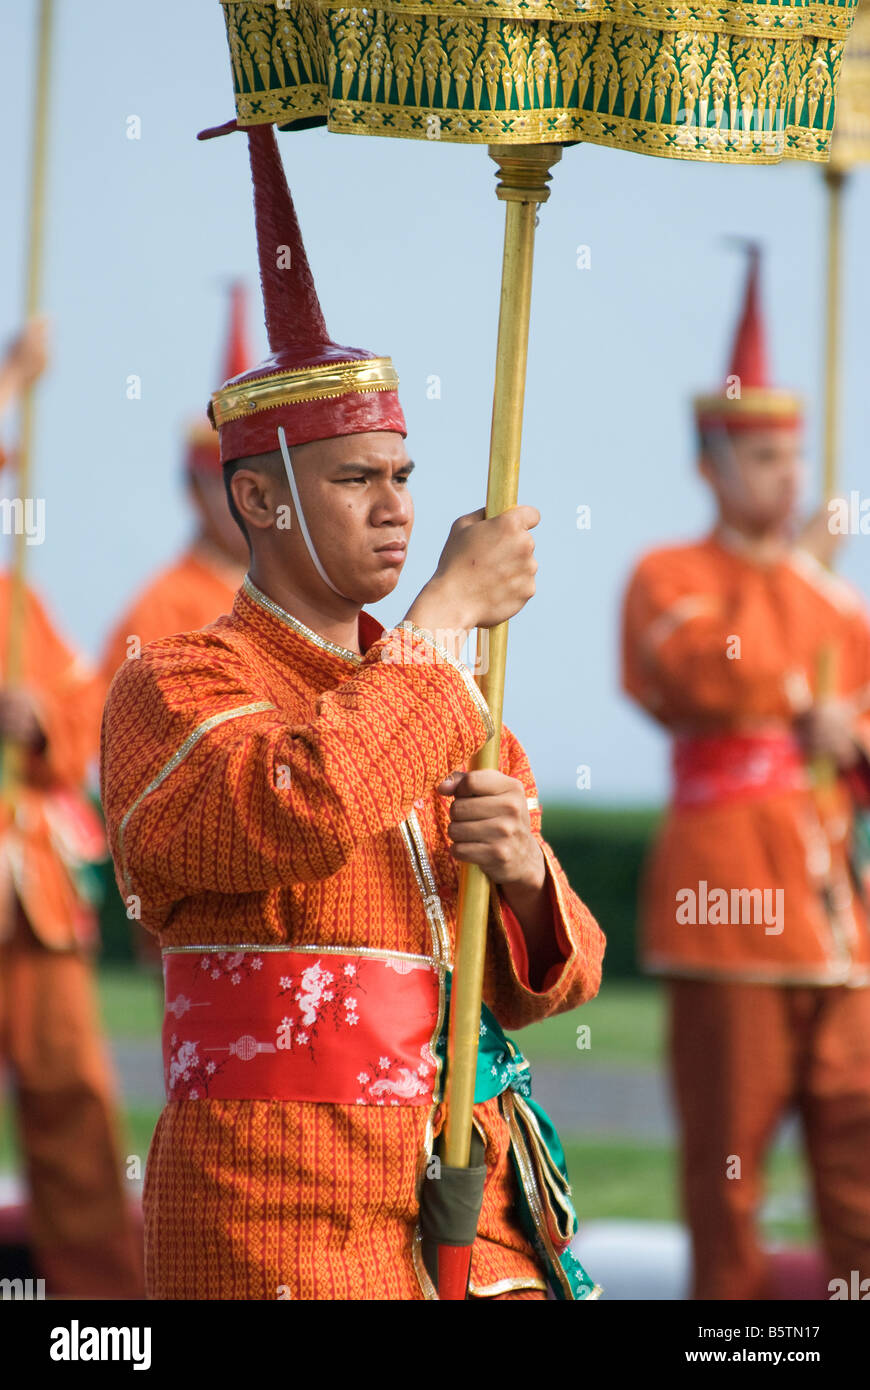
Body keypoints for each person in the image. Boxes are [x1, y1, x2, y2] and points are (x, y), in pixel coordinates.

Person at [100, 120, 606, 1301]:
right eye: (355, 479)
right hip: (273, 1201)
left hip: (466, 1183)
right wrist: (444, 619)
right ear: (261, 499)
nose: (395, 506)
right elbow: (295, 806)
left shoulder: (452, 693)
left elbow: (551, 983)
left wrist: (526, 873)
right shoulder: (173, 680)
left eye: (405, 476)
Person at [621, 247, 870, 1301]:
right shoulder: (669, 577)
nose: (788, 480)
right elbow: (699, 672)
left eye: (794, 458)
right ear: (712, 463)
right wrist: (794, 582)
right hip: (727, 900)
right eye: (764, 460)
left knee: (859, 1159)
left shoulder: (834, 603)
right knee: (726, 1163)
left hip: (835, 911)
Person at [0, 319, 143, 1297]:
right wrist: (12, 380)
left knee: (75, 1120)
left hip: (31, 904)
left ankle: (103, 1315)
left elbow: (87, 706)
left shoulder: (17, 604)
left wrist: (39, 716)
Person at [99, 283, 251, 688]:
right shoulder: (159, 610)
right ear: (195, 493)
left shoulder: (300, 604)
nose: (252, 504)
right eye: (231, 486)